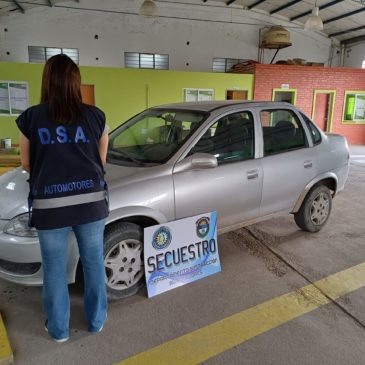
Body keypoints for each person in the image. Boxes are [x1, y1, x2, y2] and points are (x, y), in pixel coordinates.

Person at [16, 54, 109, 343]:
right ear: (75, 82)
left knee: (54, 270)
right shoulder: (96, 116)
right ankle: (95, 322)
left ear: (47, 81)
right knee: (93, 262)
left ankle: (58, 330)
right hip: (91, 205)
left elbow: (26, 164)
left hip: (51, 208)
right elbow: (101, 162)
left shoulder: (31, 117)